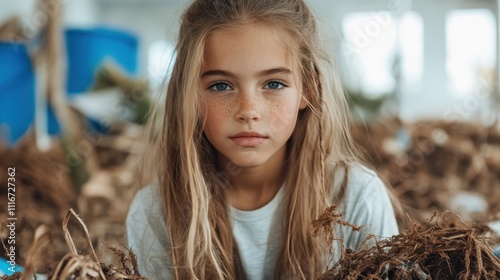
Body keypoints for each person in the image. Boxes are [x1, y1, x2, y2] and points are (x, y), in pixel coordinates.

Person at [126, 0, 402, 279]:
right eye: (221, 86)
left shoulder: (357, 198)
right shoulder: (156, 212)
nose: (249, 110)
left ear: (307, 89)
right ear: (189, 95)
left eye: (273, 84)